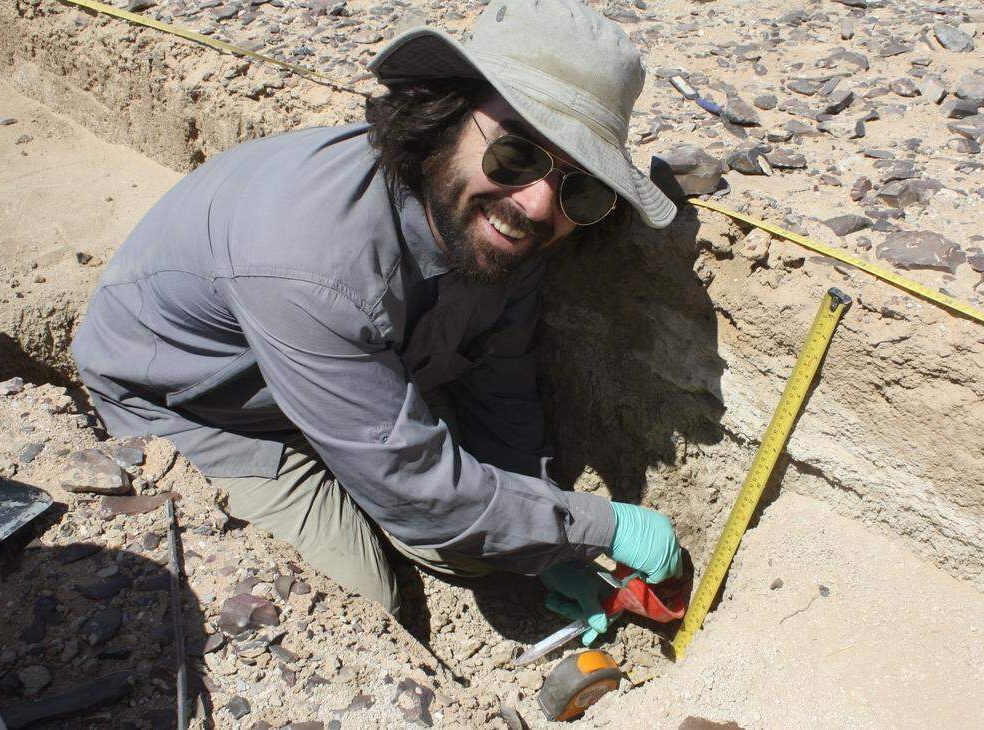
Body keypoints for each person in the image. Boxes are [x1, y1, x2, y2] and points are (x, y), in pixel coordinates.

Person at [72, 0, 681, 645]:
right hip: (205, 407)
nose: (536, 203)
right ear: (443, 115)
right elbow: (415, 486)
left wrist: (548, 541)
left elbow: (501, 387)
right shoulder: (307, 255)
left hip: (352, 375)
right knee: (370, 614)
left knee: (488, 548)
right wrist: (597, 528)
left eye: (578, 188)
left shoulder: (503, 232)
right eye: (516, 154)